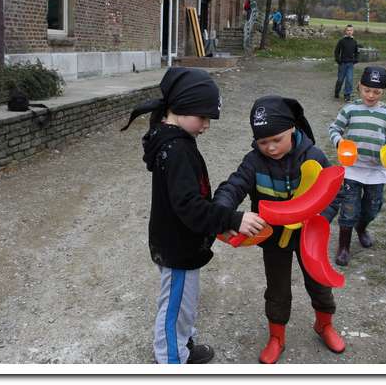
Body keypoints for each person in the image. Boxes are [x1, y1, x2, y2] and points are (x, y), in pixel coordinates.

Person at [120, 67, 266, 364]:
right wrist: (233, 219)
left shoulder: (173, 141)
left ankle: (182, 346)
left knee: (184, 305)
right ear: (182, 108)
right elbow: (188, 205)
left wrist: (216, 224)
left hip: (182, 240)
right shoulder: (176, 150)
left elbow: (187, 202)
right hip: (177, 246)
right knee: (174, 307)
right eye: (204, 117)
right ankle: (172, 361)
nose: (207, 125)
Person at [213, 95, 346, 364]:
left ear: (293, 129)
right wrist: (224, 214)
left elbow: (335, 191)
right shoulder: (254, 162)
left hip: (309, 234)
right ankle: (277, 336)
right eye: (263, 142)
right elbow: (233, 186)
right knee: (277, 288)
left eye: (277, 139)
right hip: (274, 237)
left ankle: (324, 324)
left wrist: (321, 217)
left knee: (319, 282)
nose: (271, 148)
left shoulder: (314, 157)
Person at [327, 66, 386, 266]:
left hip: (375, 169)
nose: (371, 95)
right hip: (352, 169)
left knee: (372, 207)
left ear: (384, 92)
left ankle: (362, 227)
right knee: (349, 208)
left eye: (377, 92)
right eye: (367, 90)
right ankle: (344, 246)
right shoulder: (350, 109)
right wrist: (340, 142)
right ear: (359, 86)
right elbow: (334, 128)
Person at [333, 24, 360, 102]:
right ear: (345, 31)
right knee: (340, 80)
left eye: (351, 30)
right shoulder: (342, 41)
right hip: (343, 64)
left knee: (349, 79)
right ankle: (337, 92)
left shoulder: (354, 41)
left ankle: (347, 95)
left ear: (353, 31)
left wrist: (356, 59)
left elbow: (357, 52)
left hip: (350, 64)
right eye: (348, 30)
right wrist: (338, 60)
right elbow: (336, 51)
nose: (349, 32)